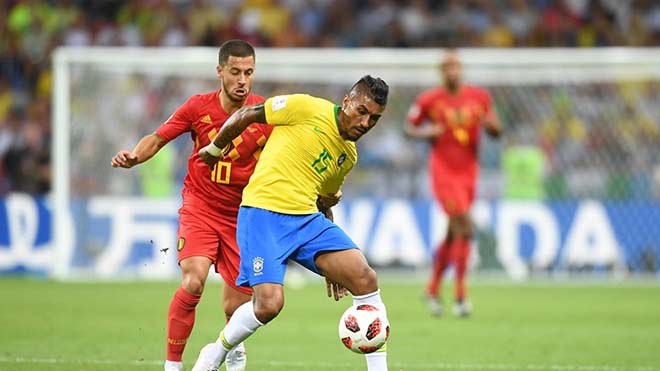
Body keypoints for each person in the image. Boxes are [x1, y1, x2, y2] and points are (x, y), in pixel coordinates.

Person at [192, 75, 391, 371]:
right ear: (347, 102)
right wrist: (215, 148)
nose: (365, 123)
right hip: (263, 214)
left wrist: (329, 264)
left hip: (306, 221)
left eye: (374, 118)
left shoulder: (347, 155)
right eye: (361, 111)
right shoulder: (307, 108)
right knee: (269, 305)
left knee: (365, 278)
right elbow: (246, 114)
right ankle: (216, 352)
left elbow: (324, 201)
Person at [111, 39, 270, 371]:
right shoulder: (198, 107)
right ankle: (173, 365)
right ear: (220, 72)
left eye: (249, 73)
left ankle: (232, 348)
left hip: (243, 216)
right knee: (193, 281)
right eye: (235, 72)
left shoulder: (265, 113)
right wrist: (134, 157)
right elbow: (157, 138)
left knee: (234, 308)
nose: (242, 80)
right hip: (201, 206)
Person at [405, 49, 502, 317]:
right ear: (441, 72)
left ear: (461, 70)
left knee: (453, 231)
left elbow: (496, 128)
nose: (452, 71)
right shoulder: (429, 99)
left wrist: (491, 126)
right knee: (465, 225)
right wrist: (428, 132)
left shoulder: (479, 98)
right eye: (446, 67)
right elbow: (409, 127)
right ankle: (461, 295)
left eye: (455, 66)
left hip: (469, 171)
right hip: (444, 171)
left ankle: (433, 289)